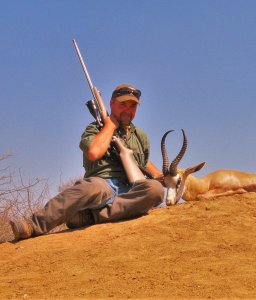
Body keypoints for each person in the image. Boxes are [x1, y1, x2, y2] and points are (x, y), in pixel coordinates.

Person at [10, 84, 164, 241]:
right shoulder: (95, 128)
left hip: (131, 189)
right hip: (103, 186)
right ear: (111, 104)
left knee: (156, 190)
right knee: (90, 187)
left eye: (133, 106)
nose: (128, 110)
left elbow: (143, 163)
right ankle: (33, 225)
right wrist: (110, 126)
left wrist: (160, 175)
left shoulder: (141, 136)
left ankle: (93, 217)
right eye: (122, 104)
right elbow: (94, 151)